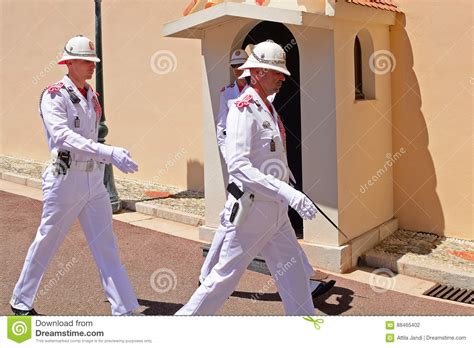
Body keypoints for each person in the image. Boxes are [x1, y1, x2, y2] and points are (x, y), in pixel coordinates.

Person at [177, 41, 319, 315]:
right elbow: (239, 166)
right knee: (221, 280)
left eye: (281, 73)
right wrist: (289, 193)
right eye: (275, 71)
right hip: (252, 211)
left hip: (275, 210)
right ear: (257, 72)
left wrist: (288, 189)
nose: (282, 77)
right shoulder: (243, 108)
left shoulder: (267, 107)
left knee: (295, 276)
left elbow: (271, 155)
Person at [10, 35, 141, 316]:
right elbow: (62, 135)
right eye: (85, 61)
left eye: (93, 61)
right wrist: (108, 153)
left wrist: (107, 157)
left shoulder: (92, 95)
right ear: (69, 63)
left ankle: (124, 310)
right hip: (65, 177)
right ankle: (21, 300)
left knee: (106, 244)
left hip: (94, 180)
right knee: (48, 240)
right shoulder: (54, 94)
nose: (92, 66)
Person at [199, 49, 335, 299]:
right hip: (246, 182)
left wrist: (285, 173)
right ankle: (205, 277)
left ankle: (305, 284)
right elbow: (222, 130)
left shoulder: (266, 100)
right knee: (228, 230)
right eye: (236, 65)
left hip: (268, 191)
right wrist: (231, 158)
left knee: (279, 254)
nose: (239, 69)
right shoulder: (232, 97)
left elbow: (272, 139)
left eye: (242, 64)